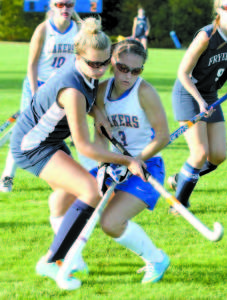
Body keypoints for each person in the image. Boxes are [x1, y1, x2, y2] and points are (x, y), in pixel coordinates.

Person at [10, 17, 146, 290]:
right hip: (32, 146)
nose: (98, 70)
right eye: (92, 64)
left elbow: (91, 97)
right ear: (78, 56)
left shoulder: (87, 75)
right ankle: (52, 260)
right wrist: (128, 160)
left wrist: (98, 113)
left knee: (65, 199)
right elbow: (84, 146)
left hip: (50, 140)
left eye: (104, 63)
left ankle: (70, 254)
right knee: (90, 192)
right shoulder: (72, 90)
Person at [90, 39, 170, 284]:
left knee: (111, 223)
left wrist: (136, 159)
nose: (128, 76)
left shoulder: (144, 92)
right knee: (65, 199)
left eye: (136, 71)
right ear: (112, 62)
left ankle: (156, 258)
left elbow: (163, 136)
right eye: (123, 68)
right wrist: (105, 163)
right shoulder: (101, 91)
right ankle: (66, 260)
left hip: (146, 166)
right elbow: (100, 139)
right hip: (114, 164)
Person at [0, 0, 80, 193]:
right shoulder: (43, 29)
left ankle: (66, 175)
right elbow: (32, 66)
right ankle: (7, 177)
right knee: (23, 131)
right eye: (60, 5)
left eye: (69, 5)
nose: (65, 9)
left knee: (55, 132)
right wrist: (35, 95)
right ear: (52, 5)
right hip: (38, 85)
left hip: (60, 90)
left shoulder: (78, 28)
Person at [167, 0, 227, 211]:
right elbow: (183, 73)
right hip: (188, 93)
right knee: (199, 152)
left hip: (210, 94)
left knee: (219, 155)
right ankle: (178, 204)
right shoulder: (207, 36)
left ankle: (181, 177)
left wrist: (207, 99)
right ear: (218, 10)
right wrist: (200, 102)